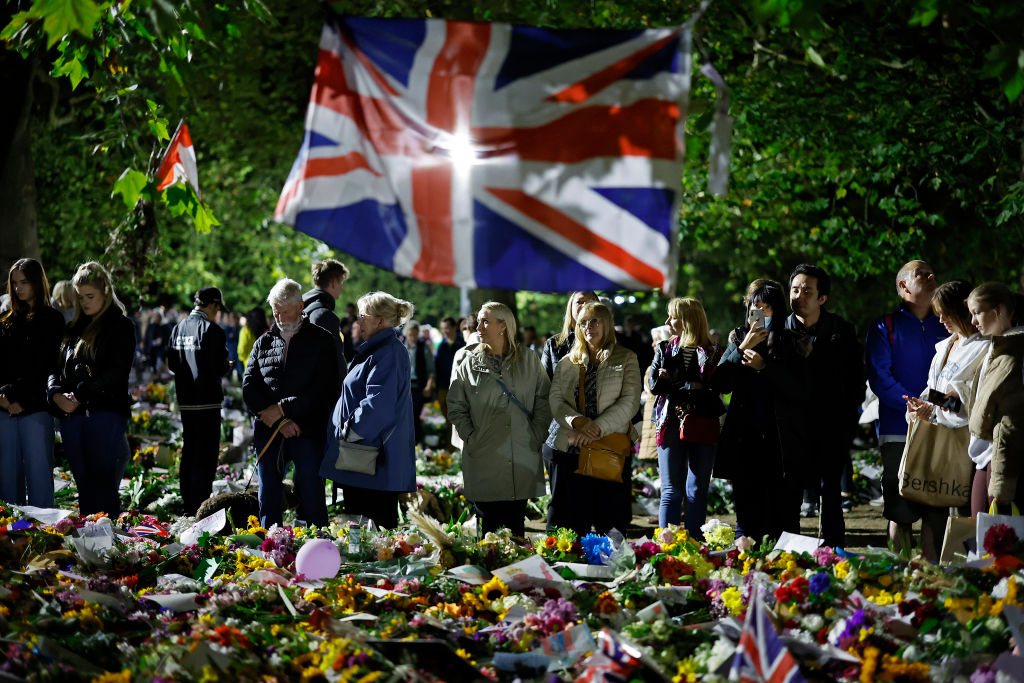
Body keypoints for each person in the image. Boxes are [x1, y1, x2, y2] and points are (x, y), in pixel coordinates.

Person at [715, 278, 811, 547]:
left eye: (766, 308)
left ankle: (787, 573)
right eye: (755, 307)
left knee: (784, 515)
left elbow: (800, 390)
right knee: (746, 513)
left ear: (777, 311)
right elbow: (720, 383)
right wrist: (742, 348)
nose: (760, 313)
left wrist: (764, 368)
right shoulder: (738, 338)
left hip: (782, 442)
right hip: (745, 440)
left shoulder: (792, 341)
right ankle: (745, 566)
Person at [897, 280, 988, 562]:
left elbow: (966, 405)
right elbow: (935, 389)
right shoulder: (947, 345)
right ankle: (932, 568)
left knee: (962, 511)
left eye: (946, 312)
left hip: (964, 445)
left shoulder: (983, 347)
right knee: (931, 509)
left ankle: (959, 570)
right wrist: (921, 405)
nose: (941, 319)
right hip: (936, 436)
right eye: (938, 313)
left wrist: (934, 406)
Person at [865, 260, 948, 555]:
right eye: (921, 274)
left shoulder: (947, 325)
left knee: (935, 509)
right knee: (900, 510)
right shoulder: (882, 326)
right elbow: (880, 377)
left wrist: (933, 407)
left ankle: (929, 579)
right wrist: (914, 405)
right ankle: (897, 574)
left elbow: (954, 376)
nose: (931, 276)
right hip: (898, 430)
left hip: (941, 428)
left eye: (931, 272)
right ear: (903, 286)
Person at [448, 302, 551, 536]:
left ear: (503, 326)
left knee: (516, 527)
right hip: (484, 454)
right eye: (479, 321)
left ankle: (516, 573)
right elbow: (456, 406)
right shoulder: (467, 361)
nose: (479, 326)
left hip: (521, 453)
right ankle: (489, 573)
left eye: (486, 321)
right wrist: (471, 436)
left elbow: (544, 399)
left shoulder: (529, 359)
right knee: (488, 532)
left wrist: (537, 433)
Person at [243, 279, 339, 528]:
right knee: (269, 493)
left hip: (307, 429)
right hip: (270, 429)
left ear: (301, 306)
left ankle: (320, 543)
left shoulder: (322, 340)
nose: (280, 316)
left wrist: (285, 409)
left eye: (285, 310)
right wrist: (279, 419)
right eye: (276, 311)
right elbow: (249, 387)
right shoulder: (263, 342)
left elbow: (326, 390)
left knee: (311, 492)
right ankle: (269, 547)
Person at [47, 262, 135, 515]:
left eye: (90, 296)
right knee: (83, 486)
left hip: (105, 413)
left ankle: (107, 547)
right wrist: (55, 394)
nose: (84, 302)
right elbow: (54, 368)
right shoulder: (72, 329)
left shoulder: (120, 326)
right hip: (71, 416)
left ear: (106, 292)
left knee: (103, 484)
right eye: (80, 296)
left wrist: (79, 394)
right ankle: (87, 547)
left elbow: (116, 373)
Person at [785, 264, 863, 548]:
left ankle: (834, 552)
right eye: (795, 289)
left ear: (822, 298)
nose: (799, 296)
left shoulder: (841, 331)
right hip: (790, 430)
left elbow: (856, 379)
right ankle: (789, 552)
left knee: (831, 494)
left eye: (807, 290)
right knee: (790, 496)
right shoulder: (778, 330)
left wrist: (845, 421)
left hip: (831, 427)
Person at [323, 292, 416, 529]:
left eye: (363, 316)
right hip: (366, 461)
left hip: (372, 463)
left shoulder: (388, 352)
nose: (358, 322)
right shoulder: (379, 349)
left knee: (374, 541)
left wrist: (348, 431)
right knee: (365, 540)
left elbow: (377, 406)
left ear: (381, 321)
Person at [549, 301, 641, 535]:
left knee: (609, 524)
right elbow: (556, 401)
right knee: (574, 524)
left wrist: (594, 428)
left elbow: (629, 403)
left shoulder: (626, 358)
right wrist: (578, 422)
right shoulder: (567, 362)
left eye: (594, 321)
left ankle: (611, 570)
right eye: (582, 322)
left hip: (609, 449)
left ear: (607, 323)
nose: (588, 326)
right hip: (573, 451)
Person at [649, 298, 726, 540]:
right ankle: (666, 547)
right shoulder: (664, 348)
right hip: (670, 420)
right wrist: (663, 378)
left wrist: (675, 381)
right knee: (671, 491)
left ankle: (694, 544)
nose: (667, 322)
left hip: (703, 422)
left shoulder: (713, 351)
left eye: (672, 317)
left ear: (688, 320)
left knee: (697, 489)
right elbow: (653, 385)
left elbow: (717, 384)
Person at [0, 259, 65, 507]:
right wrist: (3, 398)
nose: (18, 288)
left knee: (39, 479)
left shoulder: (52, 320)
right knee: (7, 479)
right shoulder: (5, 320)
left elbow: (48, 367)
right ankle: (10, 540)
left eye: (24, 282)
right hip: (5, 407)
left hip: (36, 406)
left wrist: (19, 398)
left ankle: (43, 537)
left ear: (37, 282)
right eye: (14, 283)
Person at [167, 287, 231, 516]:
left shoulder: (177, 328)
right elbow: (218, 366)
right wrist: (227, 367)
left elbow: (172, 364)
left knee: (189, 450)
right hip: (208, 402)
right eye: (217, 308)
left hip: (186, 400)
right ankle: (200, 505)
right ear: (212, 305)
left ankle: (187, 504)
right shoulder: (213, 330)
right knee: (206, 454)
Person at [968, 282, 1024, 515]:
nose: (973, 321)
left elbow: (1012, 421)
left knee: (997, 541)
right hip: (984, 455)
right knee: (981, 535)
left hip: (1002, 458)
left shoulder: (1015, 353)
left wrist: (1002, 479)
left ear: (999, 310)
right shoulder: (993, 348)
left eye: (977, 312)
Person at [302, 258, 350, 388]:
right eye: (341, 282)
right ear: (334, 283)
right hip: (320, 397)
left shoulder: (303, 309)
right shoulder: (324, 316)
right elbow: (335, 364)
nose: (341, 288)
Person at [638, 325, 673, 464]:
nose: (653, 344)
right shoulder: (653, 367)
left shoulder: (656, 368)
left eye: (657, 340)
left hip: (657, 429)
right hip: (653, 428)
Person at [404, 320, 435, 444]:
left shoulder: (423, 347)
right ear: (406, 334)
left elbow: (431, 369)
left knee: (415, 416)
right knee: (404, 416)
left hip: (418, 386)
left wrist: (428, 386)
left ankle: (416, 443)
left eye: (415, 335)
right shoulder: (402, 346)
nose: (413, 338)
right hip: (404, 386)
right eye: (410, 335)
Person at [434, 316, 465, 421]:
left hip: (459, 387)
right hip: (444, 387)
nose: (444, 331)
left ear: (454, 327)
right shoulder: (441, 346)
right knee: (447, 418)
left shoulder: (463, 345)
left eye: (446, 328)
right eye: (442, 328)